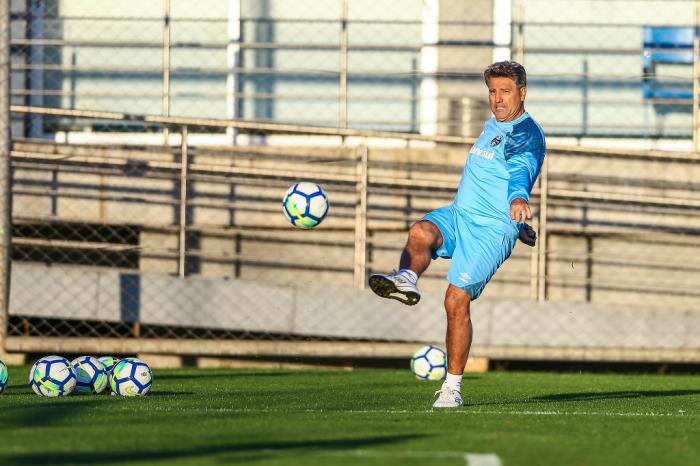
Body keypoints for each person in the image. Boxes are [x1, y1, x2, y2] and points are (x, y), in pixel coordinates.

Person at [369, 61, 545, 408]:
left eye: (505, 92)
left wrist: (518, 199)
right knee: (421, 231)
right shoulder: (495, 123)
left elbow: (521, 170)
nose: (497, 98)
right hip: (459, 215)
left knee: (454, 301)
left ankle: (452, 387)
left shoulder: (526, 134)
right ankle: (406, 278)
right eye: (492, 91)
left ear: (522, 93)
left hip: (490, 231)